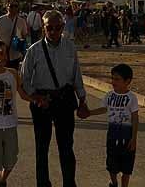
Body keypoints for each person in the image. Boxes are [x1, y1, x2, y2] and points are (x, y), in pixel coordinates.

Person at [22, 10, 90, 187]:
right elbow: (25, 79)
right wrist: (36, 97)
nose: (53, 31)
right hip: (42, 101)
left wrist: (82, 99)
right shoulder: (34, 50)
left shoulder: (70, 47)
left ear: (62, 27)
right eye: (49, 28)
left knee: (66, 146)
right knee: (42, 147)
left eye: (57, 27)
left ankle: (69, 182)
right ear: (43, 28)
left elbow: (76, 75)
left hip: (64, 99)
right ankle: (43, 183)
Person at [0, 41, 31, 187]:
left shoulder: (13, 73)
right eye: (0, 54)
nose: (4, 57)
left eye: (5, 53)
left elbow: (22, 94)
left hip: (10, 124)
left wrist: (36, 100)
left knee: (11, 159)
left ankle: (3, 180)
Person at [87, 63, 140, 187]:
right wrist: (89, 113)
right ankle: (113, 182)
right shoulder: (109, 95)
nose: (113, 82)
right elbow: (103, 109)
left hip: (126, 135)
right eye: (112, 78)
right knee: (111, 162)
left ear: (127, 81)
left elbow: (135, 118)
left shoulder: (132, 98)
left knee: (127, 165)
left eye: (117, 79)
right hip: (112, 134)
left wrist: (134, 138)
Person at [0, 0, 31, 70]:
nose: (13, 8)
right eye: (11, 6)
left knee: (13, 74)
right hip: (2, 54)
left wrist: (23, 51)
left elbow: (24, 37)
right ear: (7, 8)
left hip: (15, 54)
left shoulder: (21, 21)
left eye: (16, 6)